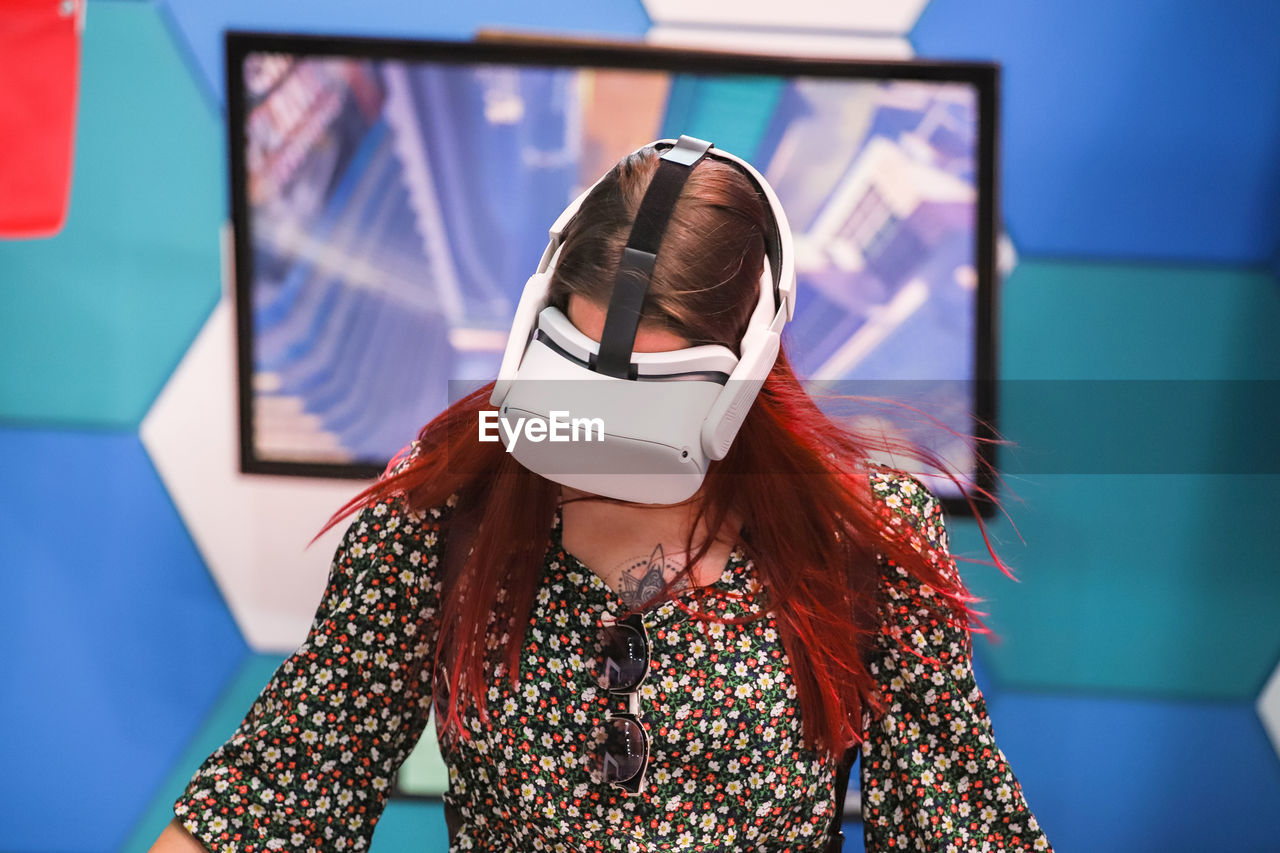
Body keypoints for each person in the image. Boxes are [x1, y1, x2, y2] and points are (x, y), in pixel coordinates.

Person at [150, 138, 1052, 852]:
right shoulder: (443, 509)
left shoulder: (861, 535)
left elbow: (956, 822)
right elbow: (290, 781)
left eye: (650, 400)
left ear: (747, 370)